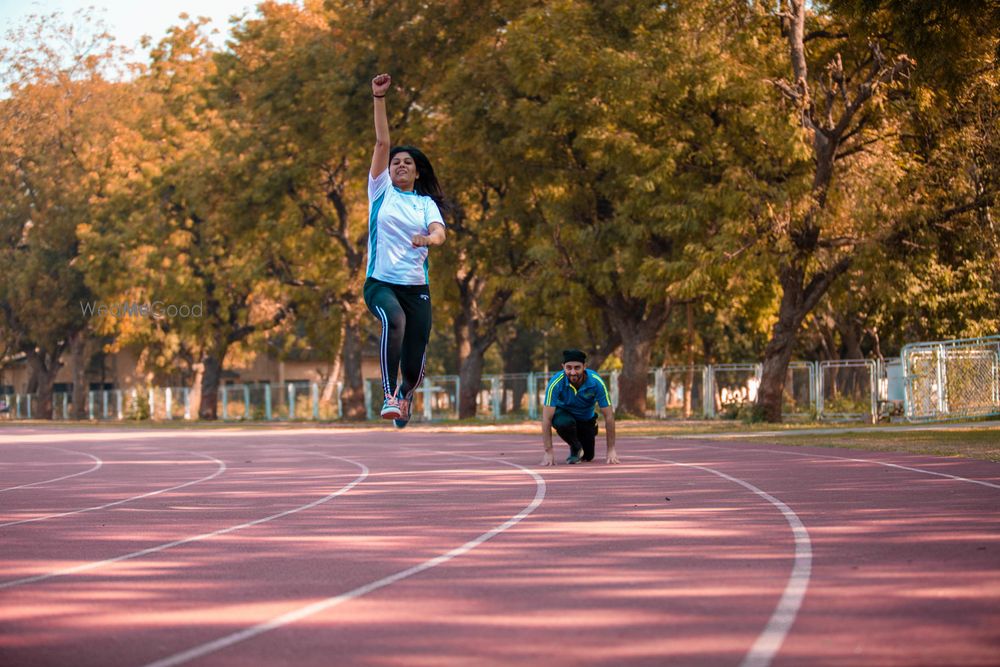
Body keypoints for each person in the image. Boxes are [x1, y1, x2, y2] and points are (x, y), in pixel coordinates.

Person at [364, 72, 447, 428]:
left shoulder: (425, 203)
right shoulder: (380, 190)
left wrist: (428, 239)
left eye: (407, 163)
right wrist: (379, 99)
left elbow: (439, 233)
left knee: (414, 368)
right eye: (396, 162)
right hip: (381, 282)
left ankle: (405, 392)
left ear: (415, 173)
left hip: (417, 288)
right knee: (392, 320)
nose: (399, 165)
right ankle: (388, 395)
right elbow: (382, 143)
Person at [540, 349, 619, 465]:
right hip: (564, 415)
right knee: (563, 422)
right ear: (563, 367)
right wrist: (548, 452)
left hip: (585, 420)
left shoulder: (596, 382)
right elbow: (546, 419)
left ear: (584, 366)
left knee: (588, 456)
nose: (573, 372)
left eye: (577, 367)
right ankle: (576, 447)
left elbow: (609, 417)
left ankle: (588, 435)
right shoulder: (555, 383)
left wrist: (611, 450)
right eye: (569, 368)